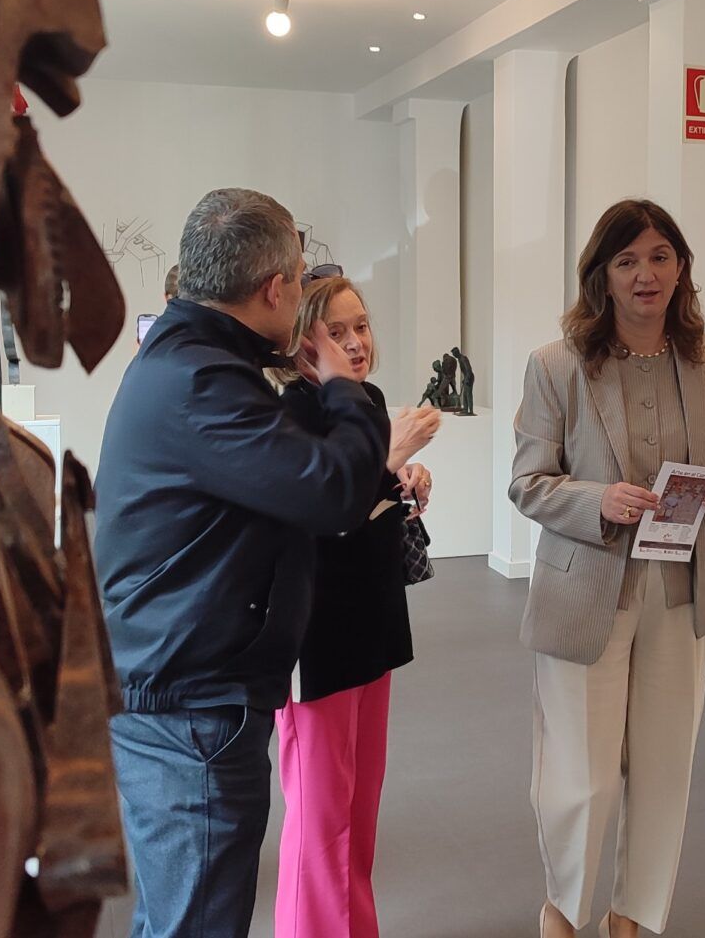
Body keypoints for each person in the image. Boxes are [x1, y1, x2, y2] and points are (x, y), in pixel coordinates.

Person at [93, 188, 389, 938]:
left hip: (185, 692)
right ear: (276, 288)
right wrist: (350, 393)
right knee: (192, 923)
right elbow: (331, 492)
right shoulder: (201, 383)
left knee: (180, 917)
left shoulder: (198, 363)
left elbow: (277, 472)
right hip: (188, 712)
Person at [510, 199, 705, 938]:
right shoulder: (558, 366)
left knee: (664, 773)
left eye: (660, 256)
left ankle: (633, 917)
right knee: (580, 781)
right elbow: (528, 482)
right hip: (588, 594)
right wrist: (598, 500)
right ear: (602, 277)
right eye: (627, 260)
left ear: (681, 268)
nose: (646, 273)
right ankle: (567, 912)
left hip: (678, 592)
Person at [270, 275, 442, 938]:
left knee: (356, 818)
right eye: (336, 331)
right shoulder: (288, 415)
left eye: (361, 325)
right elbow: (311, 518)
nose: (355, 342)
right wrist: (386, 458)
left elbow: (366, 503)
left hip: (372, 624)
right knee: (321, 823)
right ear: (303, 343)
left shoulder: (366, 403)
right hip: (314, 639)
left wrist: (406, 481)